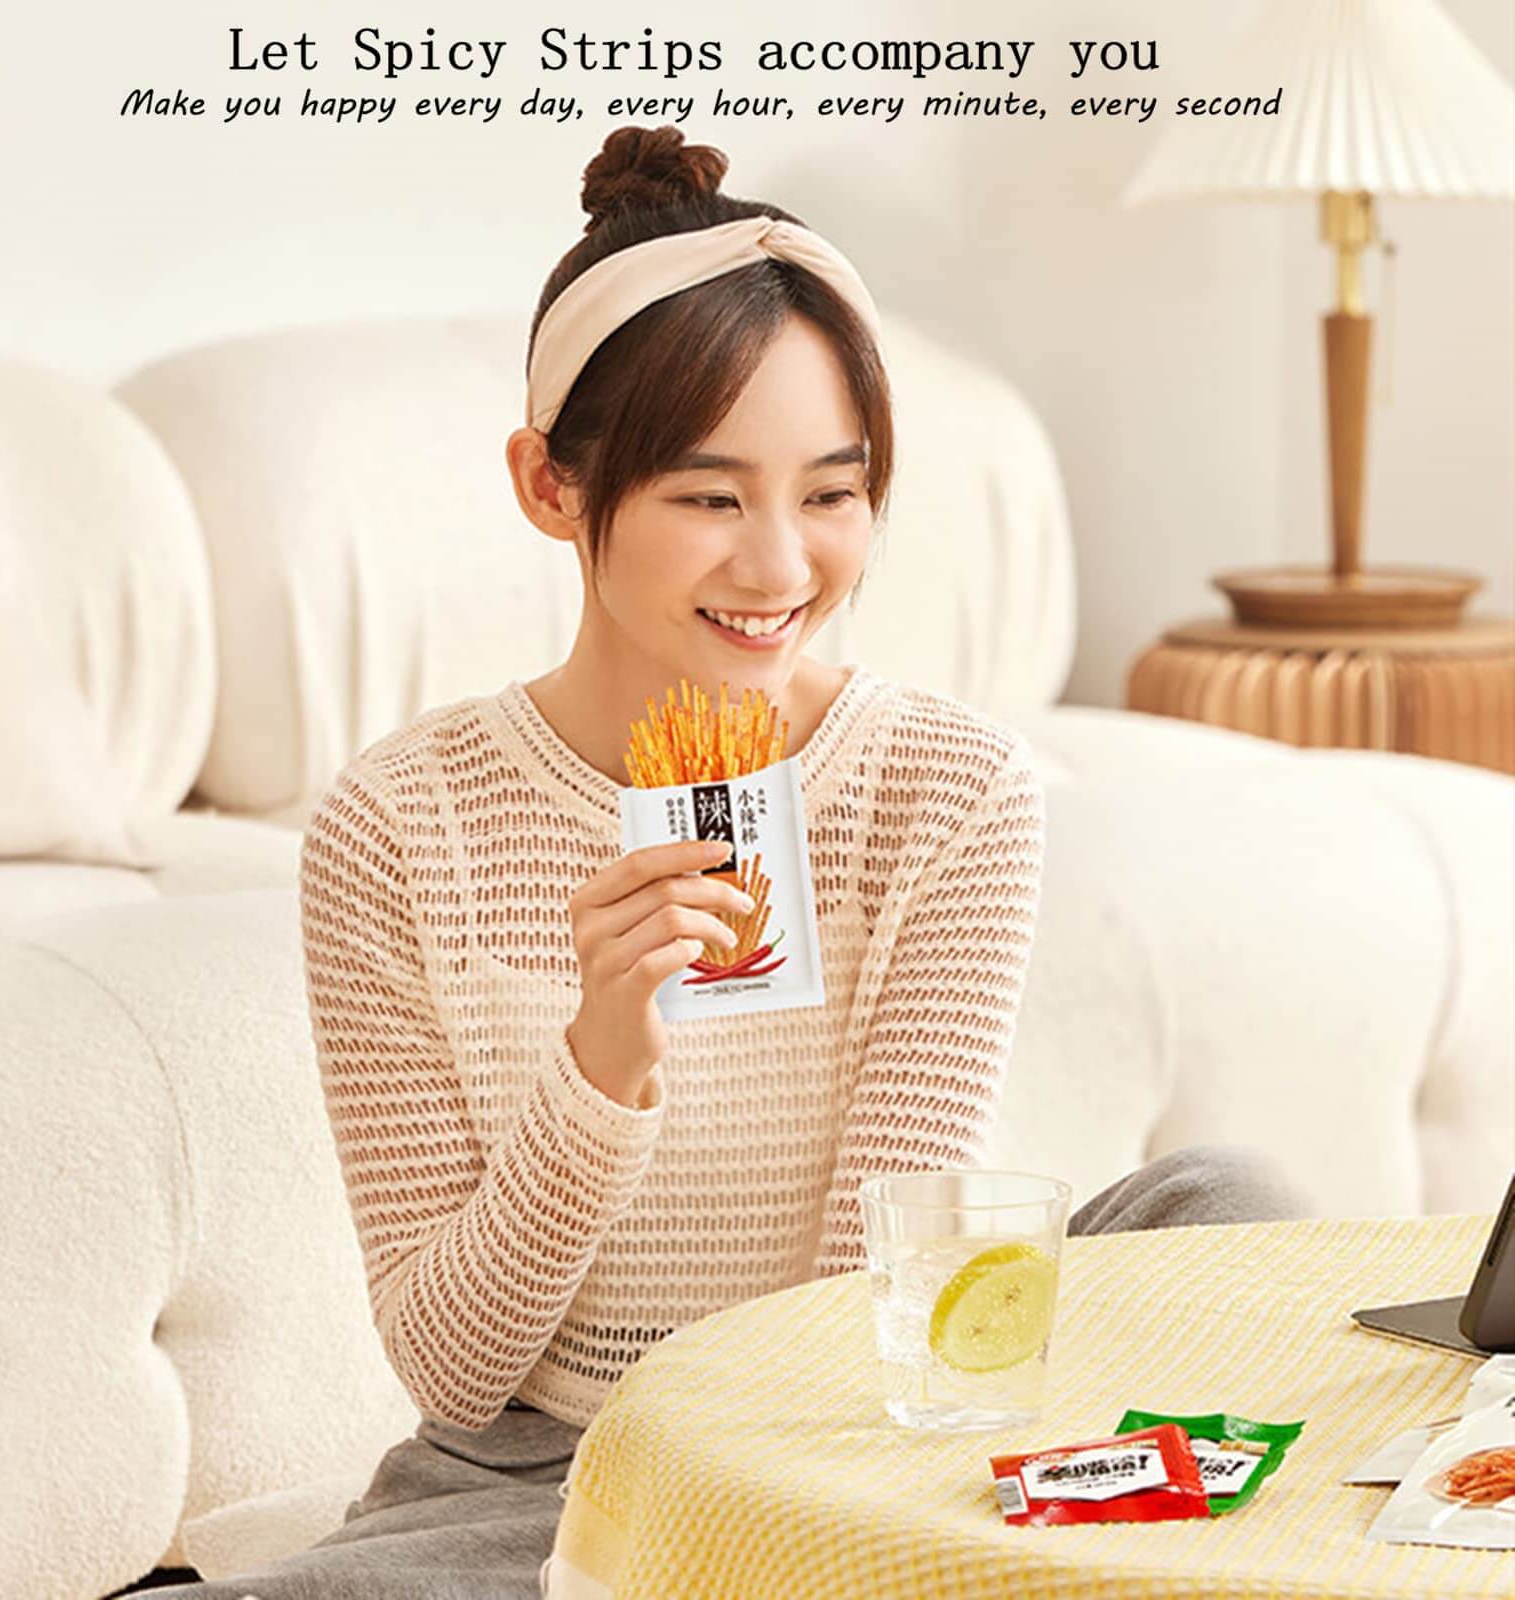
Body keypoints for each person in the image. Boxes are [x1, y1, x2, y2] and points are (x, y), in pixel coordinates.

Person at [141, 125, 1305, 1600]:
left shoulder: (949, 788)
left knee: (1230, 1208)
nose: (779, 570)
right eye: (709, 497)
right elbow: (452, 1370)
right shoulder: (397, 825)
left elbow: (874, 1291)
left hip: (876, 1410)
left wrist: (840, 1494)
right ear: (552, 486)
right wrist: (600, 1060)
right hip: (553, 1473)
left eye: (832, 492)